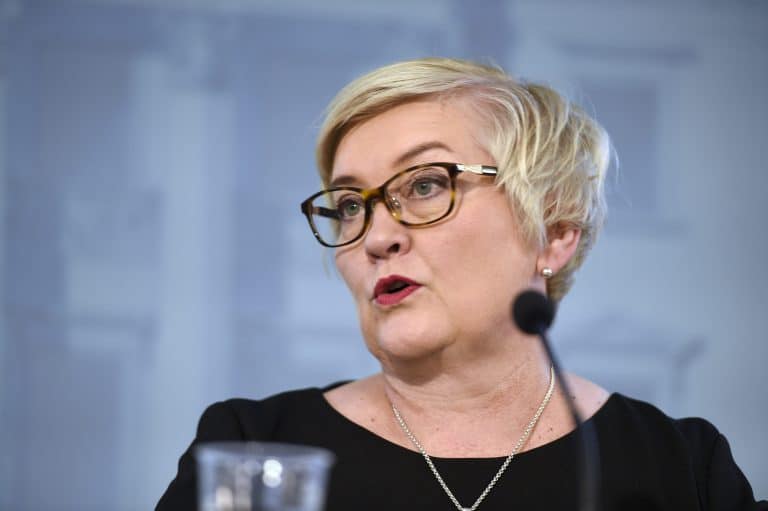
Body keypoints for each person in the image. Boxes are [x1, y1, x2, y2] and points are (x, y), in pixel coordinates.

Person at [156, 58, 766, 510]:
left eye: (425, 185)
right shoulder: (254, 451)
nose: (376, 237)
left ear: (553, 233)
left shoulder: (684, 469)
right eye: (349, 205)